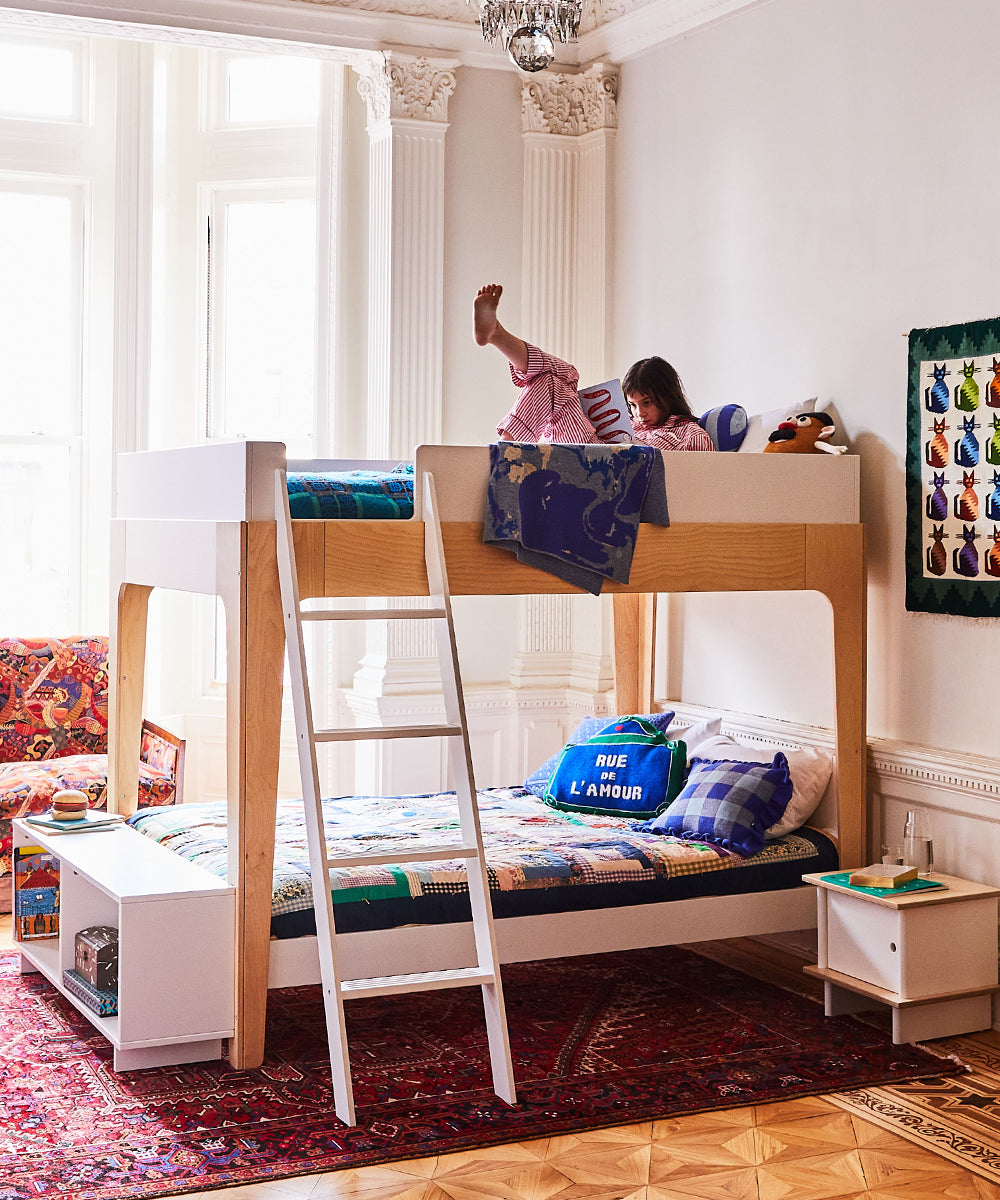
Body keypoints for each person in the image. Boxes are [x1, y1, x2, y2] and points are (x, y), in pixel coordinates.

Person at [474, 282, 714, 451]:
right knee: (555, 380)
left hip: (618, 470)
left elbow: (694, 480)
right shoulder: (630, 423)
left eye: (647, 402)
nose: (639, 413)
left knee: (564, 376)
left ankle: (498, 334)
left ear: (668, 394)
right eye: (632, 404)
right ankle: (504, 452)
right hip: (590, 451)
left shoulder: (691, 434)